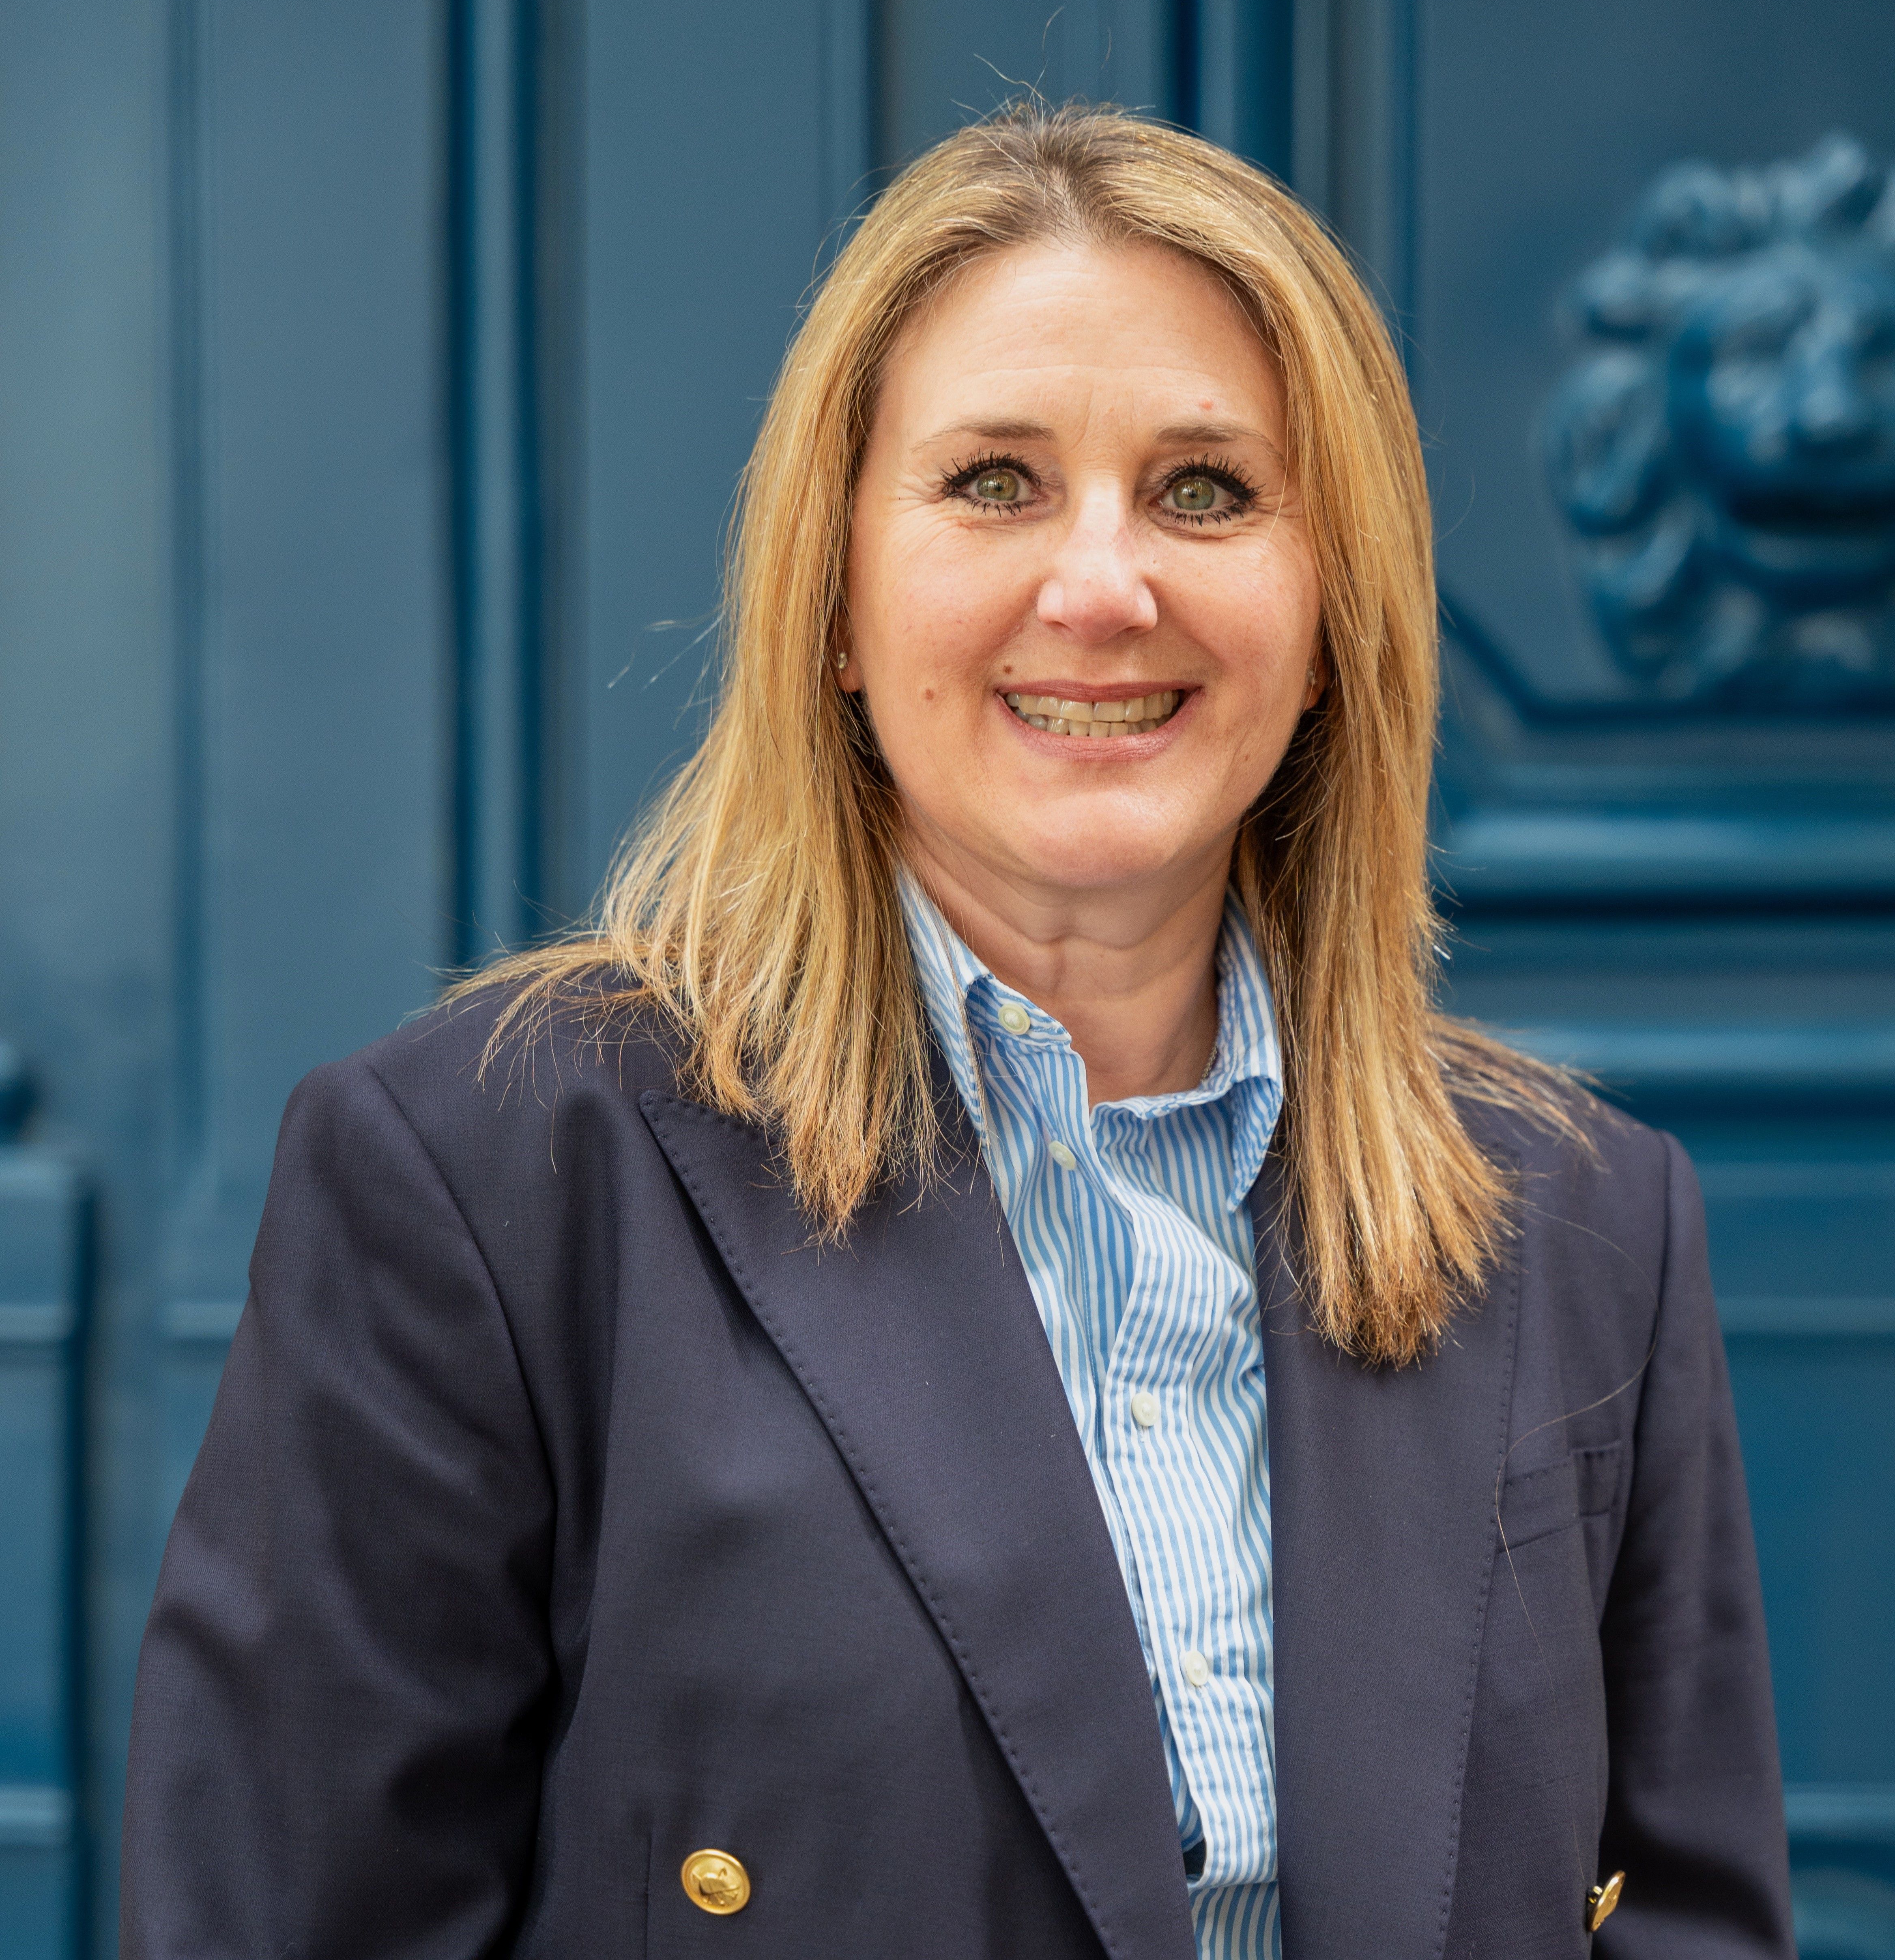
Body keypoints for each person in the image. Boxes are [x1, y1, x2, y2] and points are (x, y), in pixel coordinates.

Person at [121, 103, 1794, 1960]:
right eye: (994, 482)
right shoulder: (485, 1181)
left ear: (1333, 612)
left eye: (1205, 491)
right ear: (835, 595)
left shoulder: (1582, 1220)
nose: (1100, 587)